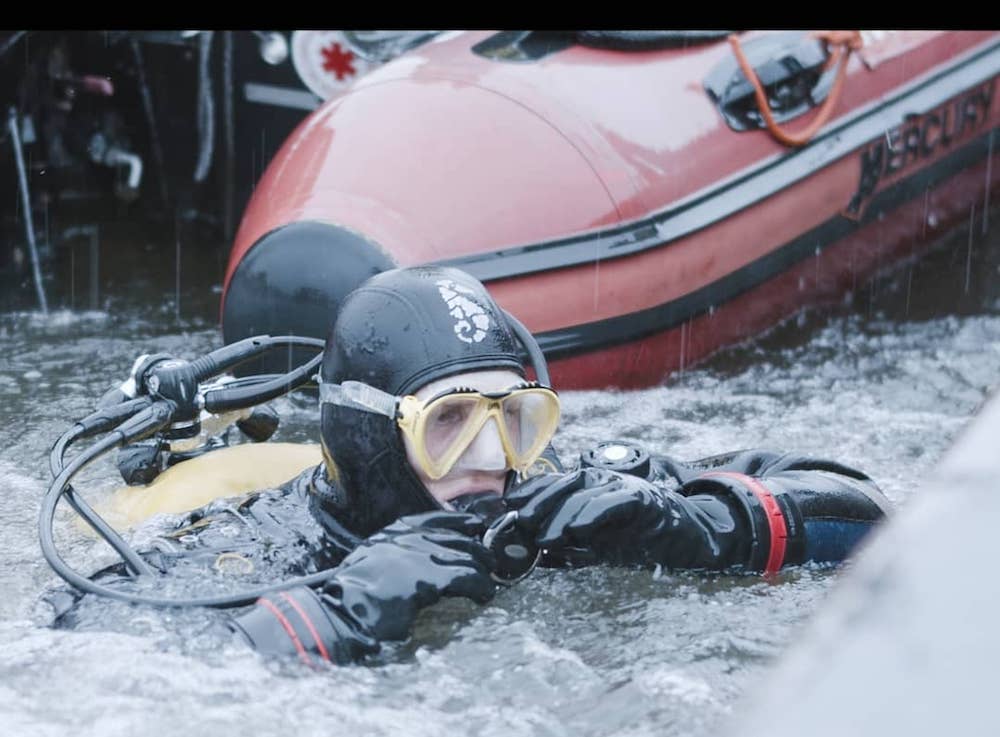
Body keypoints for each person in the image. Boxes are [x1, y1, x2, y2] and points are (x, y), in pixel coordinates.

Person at [51, 266, 890, 667]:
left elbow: (869, 516)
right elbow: (82, 659)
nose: (493, 458)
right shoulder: (267, 547)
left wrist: (698, 527)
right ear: (375, 438)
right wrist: (347, 606)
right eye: (449, 422)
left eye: (514, 417)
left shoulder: (561, 498)